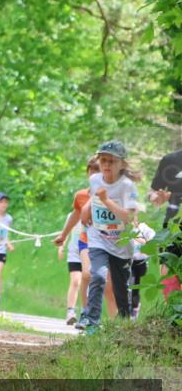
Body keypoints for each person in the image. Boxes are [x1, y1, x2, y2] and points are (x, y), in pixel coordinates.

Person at [77, 141, 140, 332]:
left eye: (111, 161)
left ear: (122, 164)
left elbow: (128, 218)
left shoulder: (127, 186)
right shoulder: (95, 179)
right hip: (99, 238)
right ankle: (92, 321)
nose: (106, 165)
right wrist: (87, 209)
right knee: (97, 275)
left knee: (121, 291)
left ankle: (125, 326)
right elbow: (94, 197)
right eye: (103, 160)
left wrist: (107, 201)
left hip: (121, 244)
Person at [54, 157, 102, 320]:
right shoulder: (81, 196)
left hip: (107, 242)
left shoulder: (111, 194)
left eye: (98, 171)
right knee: (86, 275)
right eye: (91, 172)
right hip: (86, 240)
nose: (94, 175)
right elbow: (75, 215)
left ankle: (103, 316)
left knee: (104, 281)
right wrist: (63, 235)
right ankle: (85, 312)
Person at [148, 148, 182, 299]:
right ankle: (173, 311)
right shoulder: (170, 160)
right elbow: (153, 192)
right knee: (168, 271)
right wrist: (157, 198)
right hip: (173, 225)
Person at [57, 212, 87, 325]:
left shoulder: (92, 213)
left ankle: (85, 313)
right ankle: (70, 312)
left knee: (87, 283)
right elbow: (66, 231)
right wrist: (61, 246)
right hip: (74, 253)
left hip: (88, 253)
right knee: (75, 281)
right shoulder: (72, 215)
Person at [129, 220, 156, 319]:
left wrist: (138, 238)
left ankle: (135, 307)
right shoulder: (124, 226)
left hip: (141, 261)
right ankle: (129, 309)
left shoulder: (143, 227)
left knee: (135, 285)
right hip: (128, 260)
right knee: (129, 284)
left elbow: (152, 239)